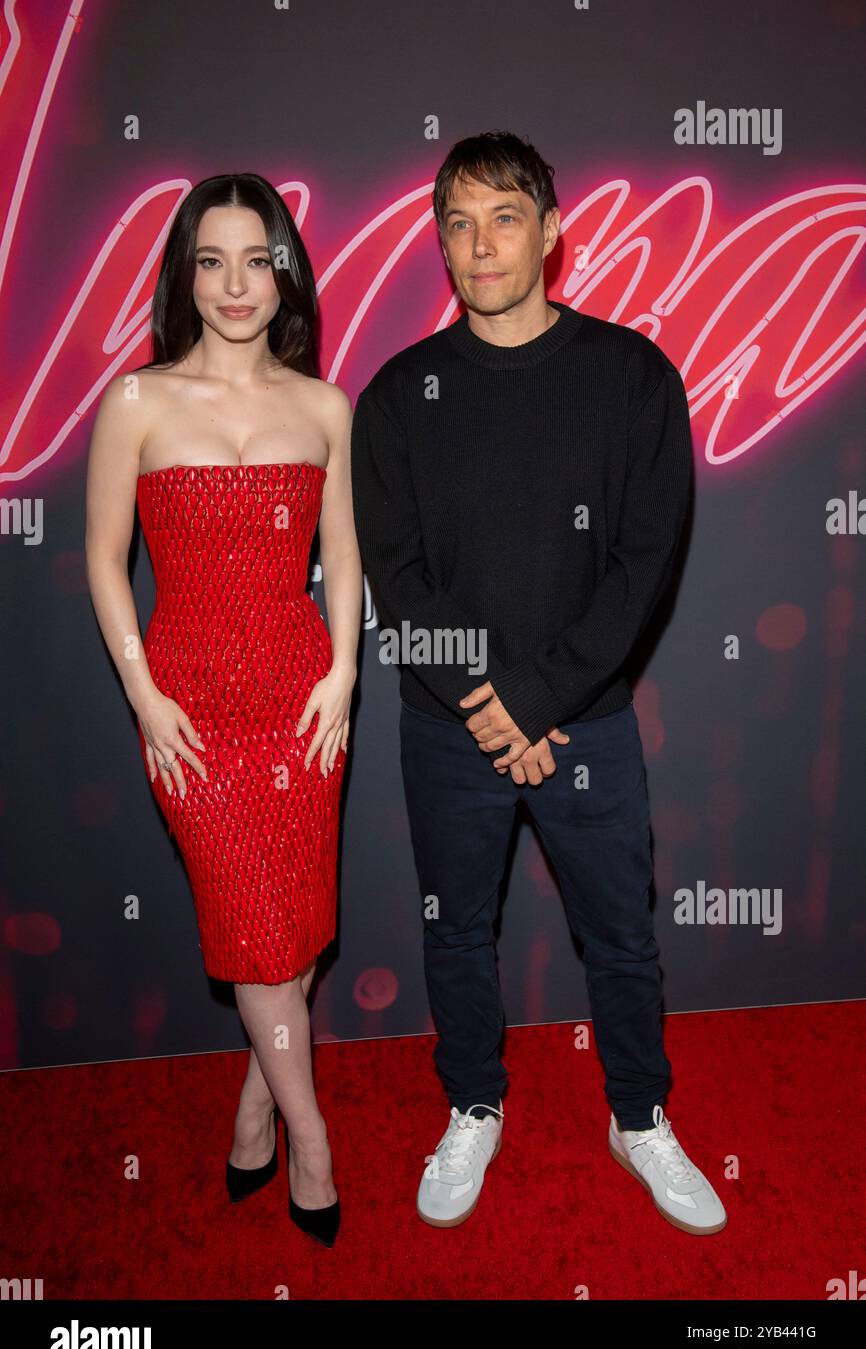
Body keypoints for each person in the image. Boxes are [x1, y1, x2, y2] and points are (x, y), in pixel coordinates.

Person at [351, 131, 727, 1235]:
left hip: (587, 726)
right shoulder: (395, 395)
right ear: (439, 242)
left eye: (502, 217)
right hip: (445, 726)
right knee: (455, 930)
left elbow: (640, 569)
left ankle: (637, 1114)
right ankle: (474, 1100)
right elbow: (398, 581)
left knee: (620, 933)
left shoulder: (631, 377)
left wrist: (539, 699)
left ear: (550, 231)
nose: (479, 244)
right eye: (457, 223)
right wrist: (490, 704)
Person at [85, 173, 362, 1248]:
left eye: (257, 258)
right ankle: (312, 1137)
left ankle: (254, 1114)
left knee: (286, 946)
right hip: (191, 710)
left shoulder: (323, 404)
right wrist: (145, 695)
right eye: (212, 260)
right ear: (185, 274)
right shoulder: (138, 403)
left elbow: (341, 559)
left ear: (283, 270)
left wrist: (341, 674)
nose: (236, 283)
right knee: (255, 937)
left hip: (302, 705)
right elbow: (106, 566)